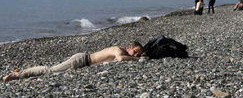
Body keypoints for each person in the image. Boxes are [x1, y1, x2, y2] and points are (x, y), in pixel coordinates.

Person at [3, 42, 143, 82]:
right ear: (130, 47)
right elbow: (120, 59)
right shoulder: (118, 50)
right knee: (49, 70)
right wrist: (137, 59)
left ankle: (20, 73)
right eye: (135, 51)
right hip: (81, 60)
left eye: (137, 54)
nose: (135, 54)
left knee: (51, 70)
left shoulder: (123, 52)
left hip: (83, 60)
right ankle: (18, 74)